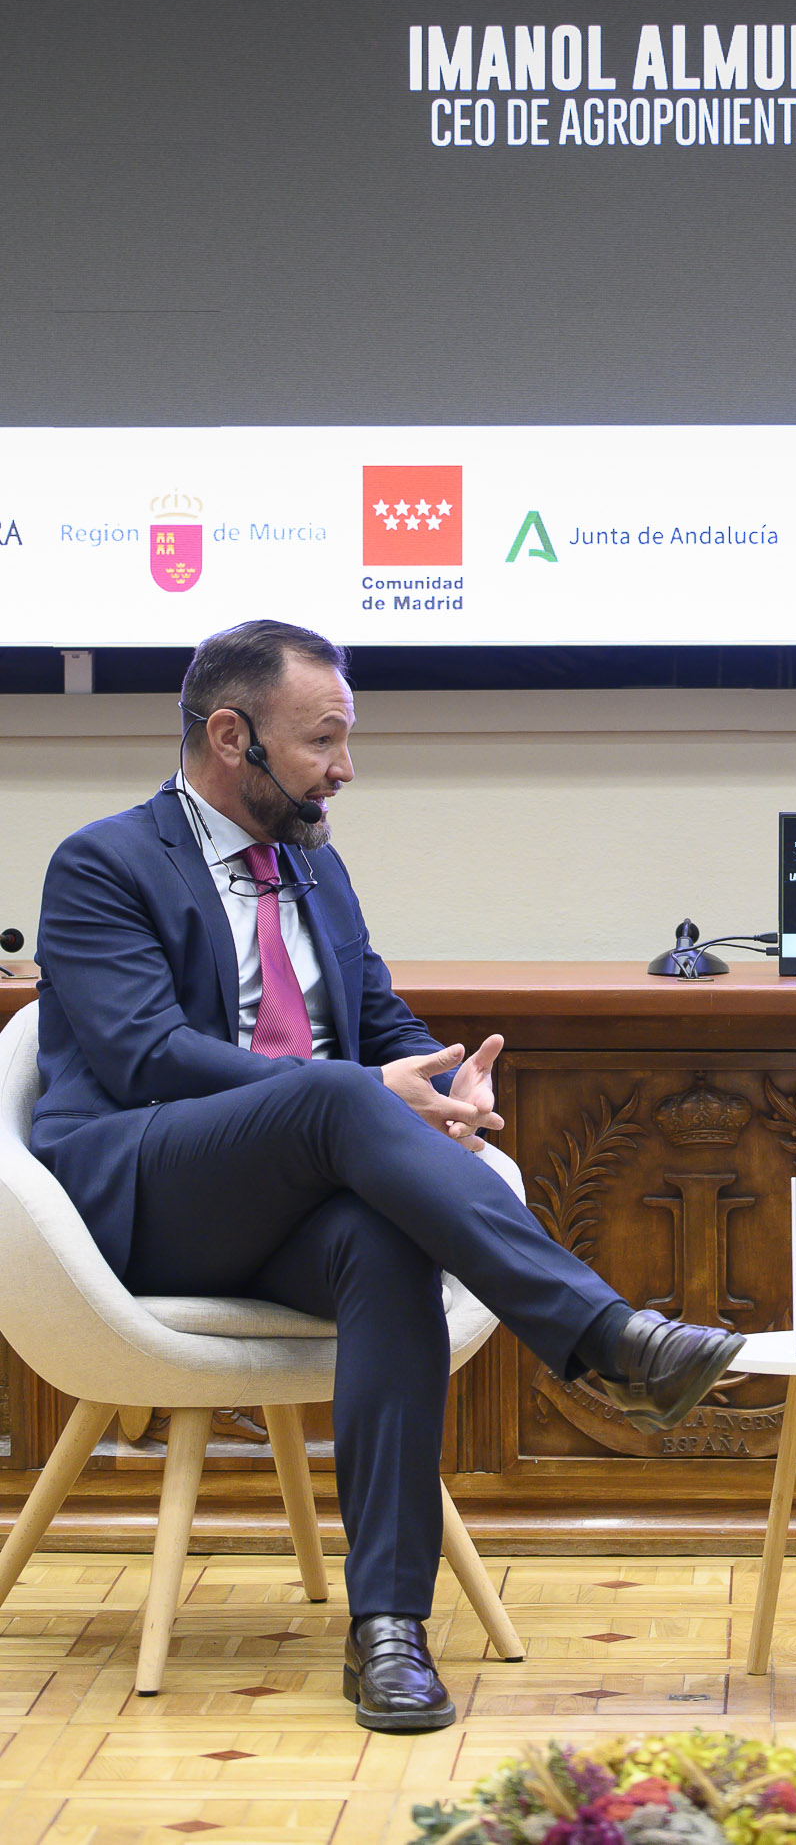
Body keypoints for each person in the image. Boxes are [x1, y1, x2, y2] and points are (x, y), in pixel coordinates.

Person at [30, 620, 745, 1735]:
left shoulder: (316, 864)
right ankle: (606, 1337)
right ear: (233, 736)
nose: (345, 768)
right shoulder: (103, 863)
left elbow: (379, 1024)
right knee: (332, 1094)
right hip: (146, 1195)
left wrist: (448, 1086)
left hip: (294, 1201)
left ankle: (389, 1632)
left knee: (385, 1241)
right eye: (322, 740)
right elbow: (143, 1056)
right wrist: (361, 1093)